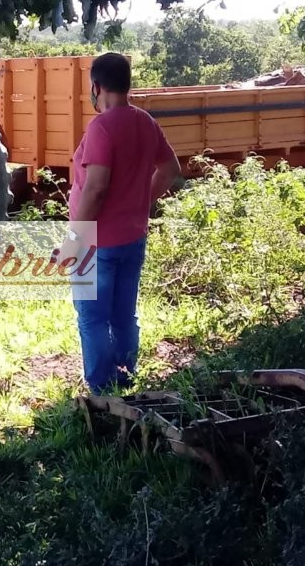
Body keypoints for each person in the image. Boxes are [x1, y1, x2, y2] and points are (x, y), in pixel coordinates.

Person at [65, 52, 181, 394]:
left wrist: (75, 238)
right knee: (123, 315)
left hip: (96, 242)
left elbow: (97, 187)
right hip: (133, 237)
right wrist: (141, 202)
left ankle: (102, 389)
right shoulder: (145, 122)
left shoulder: (101, 126)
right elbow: (171, 168)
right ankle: (126, 373)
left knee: (92, 318)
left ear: (96, 86)